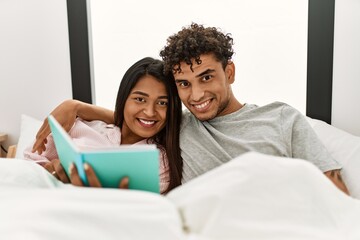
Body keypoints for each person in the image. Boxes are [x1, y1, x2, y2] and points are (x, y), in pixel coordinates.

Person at [32, 23, 349, 195]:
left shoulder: (280, 117)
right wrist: (73, 107)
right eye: (183, 83)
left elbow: (335, 191)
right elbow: (136, 116)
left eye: (206, 77)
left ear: (230, 73)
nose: (195, 95)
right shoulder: (179, 124)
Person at [25, 57, 183, 194]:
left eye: (162, 103)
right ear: (124, 99)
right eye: (140, 99)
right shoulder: (81, 126)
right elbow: (31, 160)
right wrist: (49, 172)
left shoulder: (161, 161)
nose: (149, 112)